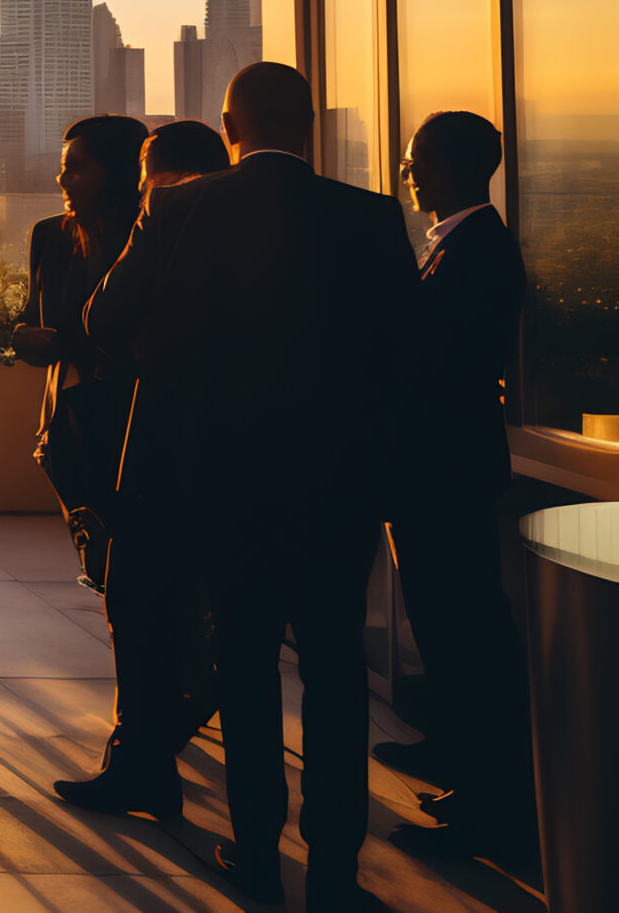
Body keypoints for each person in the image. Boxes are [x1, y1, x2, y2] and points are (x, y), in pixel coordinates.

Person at [86, 62, 419, 909]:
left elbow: (103, 320)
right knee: (337, 671)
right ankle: (337, 868)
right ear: (309, 125)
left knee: (245, 669)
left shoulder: (177, 208)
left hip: (222, 486)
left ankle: (261, 855)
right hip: (338, 491)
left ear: (229, 124)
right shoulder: (373, 217)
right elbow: (401, 358)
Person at [52, 116, 227, 821]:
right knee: (170, 606)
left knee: (146, 603)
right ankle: (148, 754)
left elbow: (101, 320)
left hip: (159, 452)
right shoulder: (279, 232)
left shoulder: (163, 226)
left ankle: (147, 754)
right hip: (233, 453)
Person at [381, 109, 532, 862]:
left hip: (443, 471)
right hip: (439, 469)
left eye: (413, 160)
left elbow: (438, 366)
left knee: (464, 630)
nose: (405, 172)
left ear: (444, 167)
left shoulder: (475, 252)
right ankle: (464, 767)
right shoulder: (460, 244)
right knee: (447, 626)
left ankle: (488, 805)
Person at [9, 115, 148, 590]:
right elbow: (34, 318)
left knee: (135, 568)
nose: (62, 179)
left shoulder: (150, 236)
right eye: (63, 167)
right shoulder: (50, 236)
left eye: (77, 168)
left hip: (136, 420)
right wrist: (26, 337)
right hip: (72, 424)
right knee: (106, 564)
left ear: (119, 172)